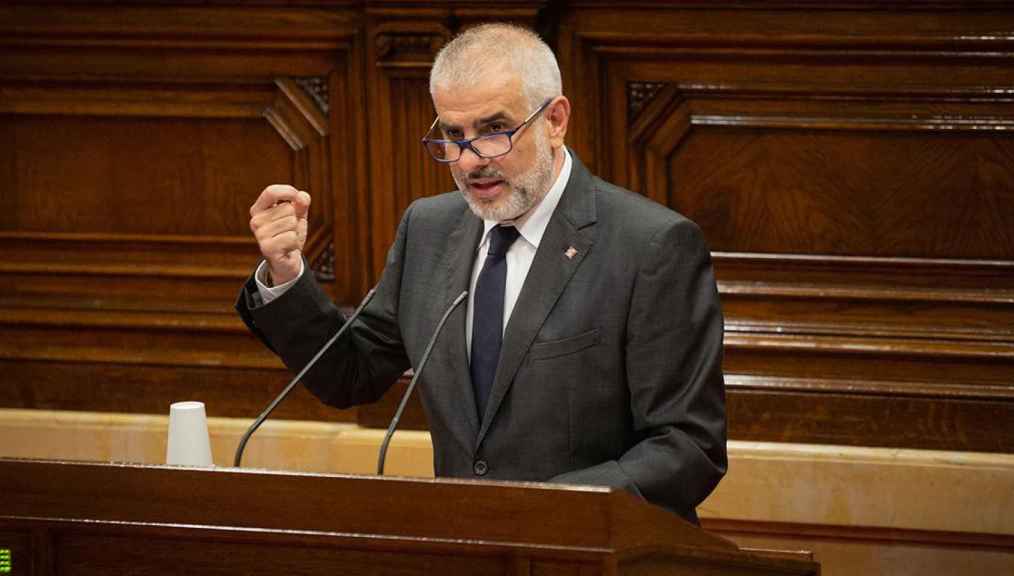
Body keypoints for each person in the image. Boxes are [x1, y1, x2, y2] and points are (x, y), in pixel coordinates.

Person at [236, 23, 726, 524]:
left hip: (593, 554)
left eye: (494, 130)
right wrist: (286, 274)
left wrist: (535, 510)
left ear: (555, 120)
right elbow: (350, 374)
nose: (470, 160)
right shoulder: (428, 229)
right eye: (453, 135)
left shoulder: (650, 246)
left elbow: (687, 446)